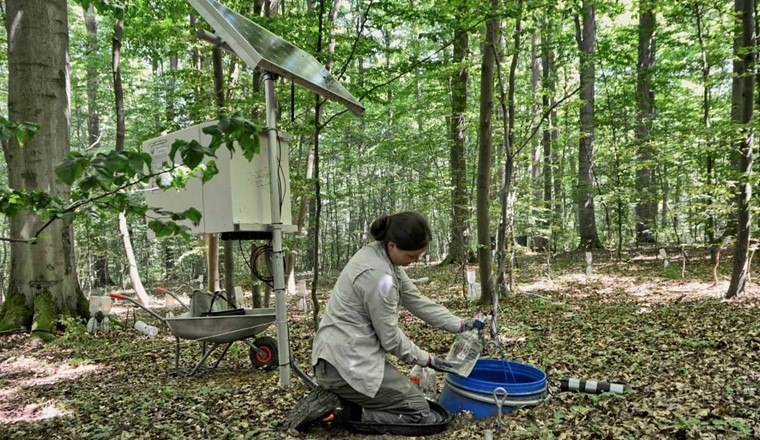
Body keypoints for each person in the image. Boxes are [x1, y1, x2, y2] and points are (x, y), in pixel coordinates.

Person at [311, 211, 484, 424]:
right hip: (345, 365)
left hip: (349, 355)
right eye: (411, 256)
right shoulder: (378, 277)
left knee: (413, 402)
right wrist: (428, 360)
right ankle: (342, 413)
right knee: (420, 412)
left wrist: (460, 325)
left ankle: (346, 402)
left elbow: (415, 300)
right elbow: (391, 339)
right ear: (392, 245)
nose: (415, 261)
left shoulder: (381, 256)